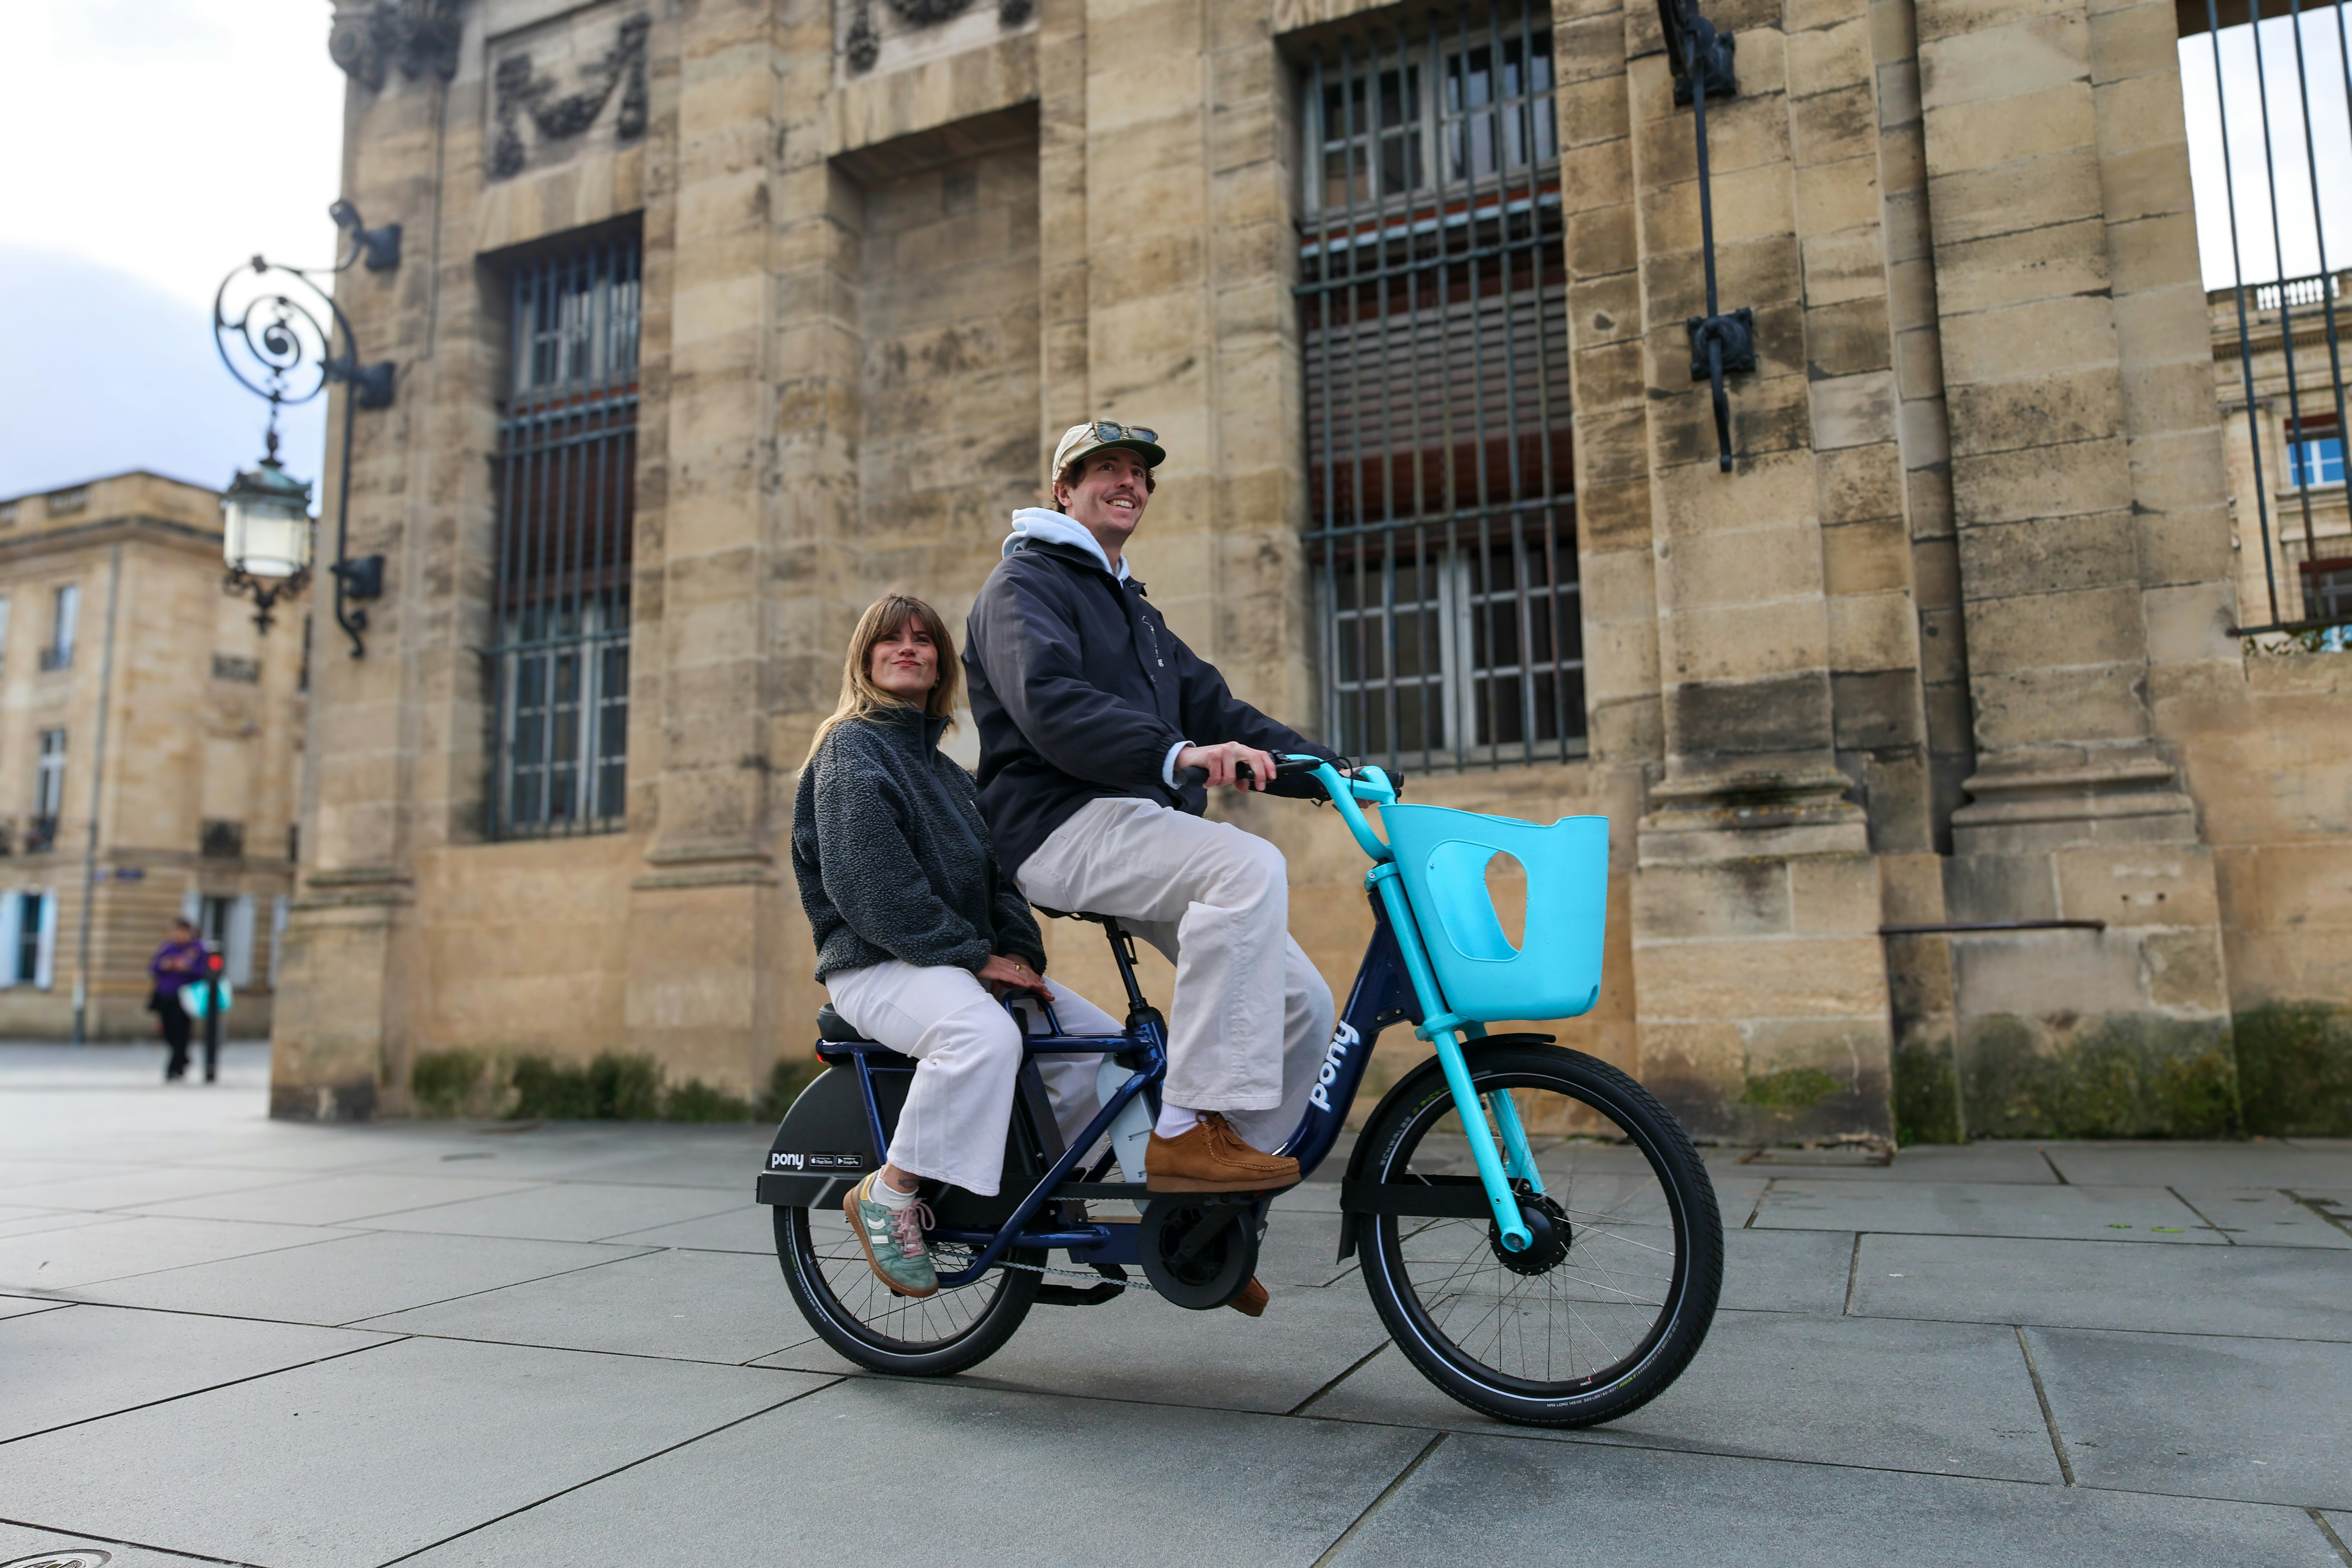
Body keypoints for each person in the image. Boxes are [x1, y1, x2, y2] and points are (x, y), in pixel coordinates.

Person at [965, 421, 1346, 1198]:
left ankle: (1215, 1208)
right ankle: (1185, 1133)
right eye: (1104, 468)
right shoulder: (1024, 586)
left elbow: (1219, 710)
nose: (1127, 482)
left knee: (1303, 1003)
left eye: (1138, 472)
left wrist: (1337, 772)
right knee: (1246, 863)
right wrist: (1173, 756)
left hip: (1135, 829)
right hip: (1056, 824)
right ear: (1062, 490)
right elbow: (1051, 701)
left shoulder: (1135, 610)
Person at [790, 593, 1122, 1304]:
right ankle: (891, 1191)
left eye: (924, 639)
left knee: (1105, 1050)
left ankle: (1038, 1192)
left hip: (954, 961)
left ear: (940, 660)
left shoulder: (950, 776)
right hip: (876, 963)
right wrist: (974, 958)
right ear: (866, 658)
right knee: (983, 1038)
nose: (909, 648)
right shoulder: (851, 750)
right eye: (892, 640)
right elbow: (872, 887)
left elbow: (1001, 883)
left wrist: (1019, 958)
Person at [148, 919, 205, 1083]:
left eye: (181, 932)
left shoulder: (198, 949)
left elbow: (205, 972)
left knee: (182, 1032)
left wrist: (187, 968)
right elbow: (153, 969)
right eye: (175, 931)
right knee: (168, 1031)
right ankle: (183, 1059)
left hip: (186, 997)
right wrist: (164, 965)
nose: (178, 935)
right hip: (165, 996)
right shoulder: (167, 948)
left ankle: (173, 1068)